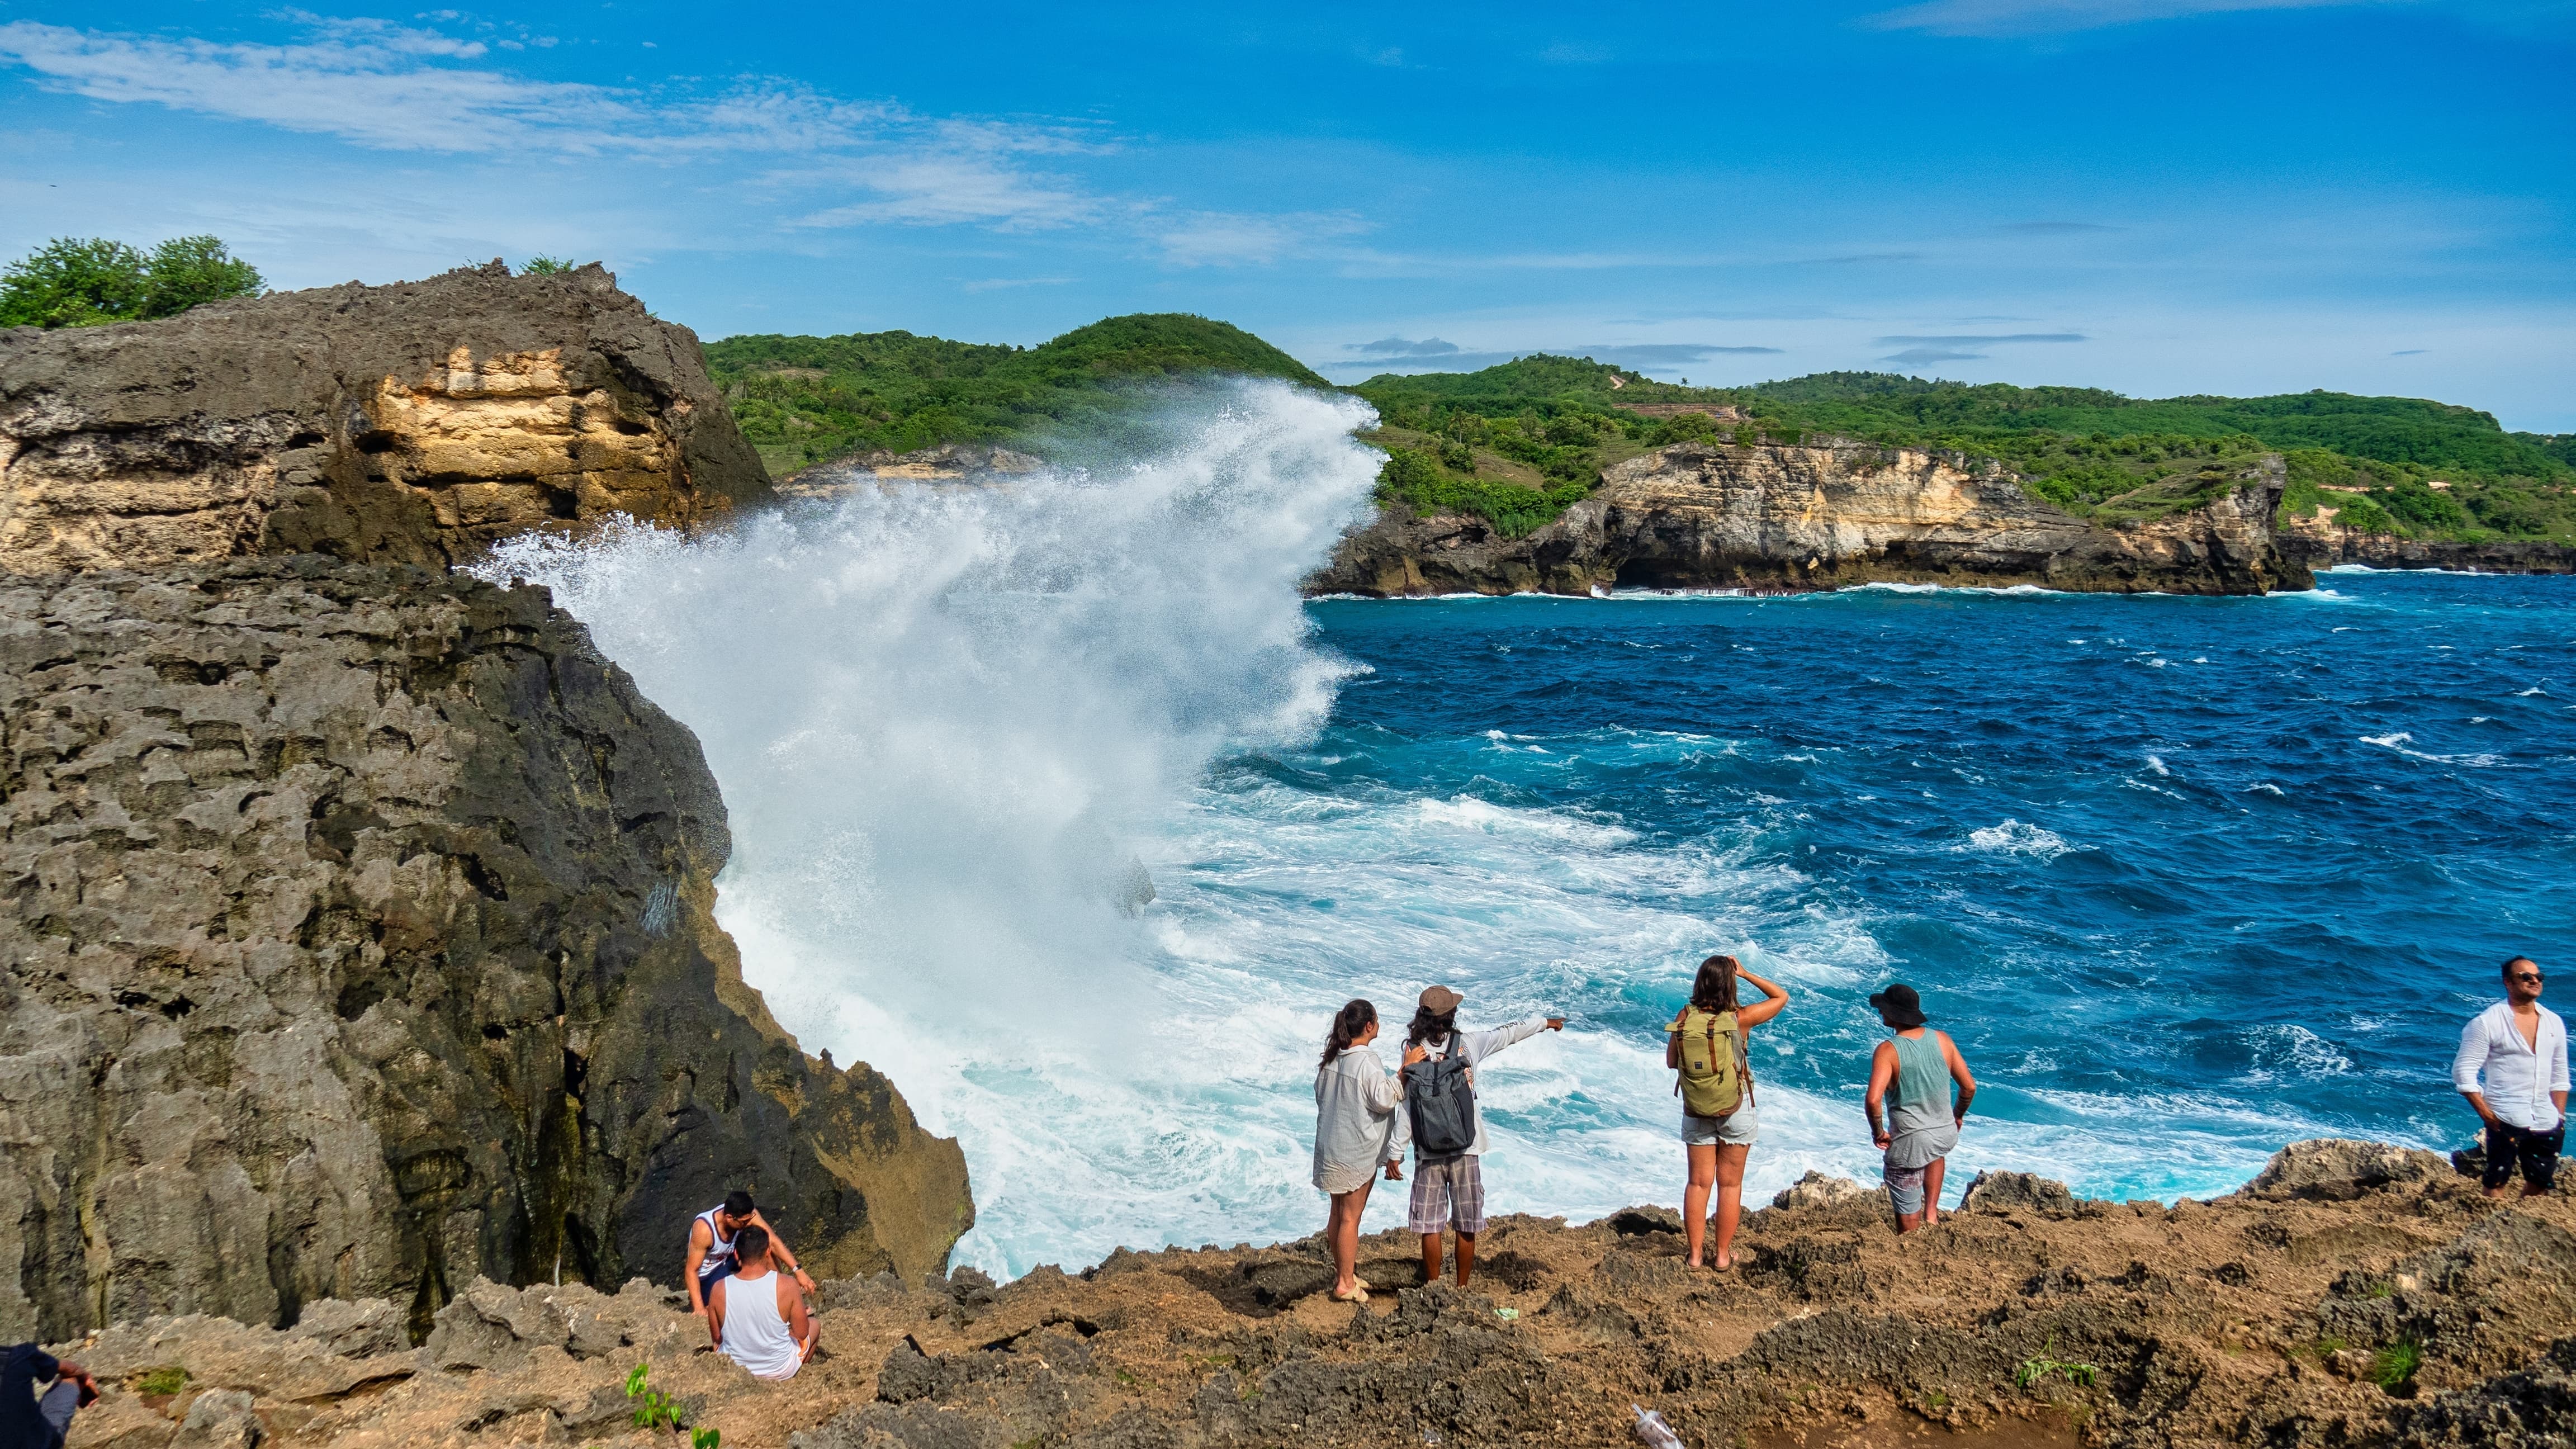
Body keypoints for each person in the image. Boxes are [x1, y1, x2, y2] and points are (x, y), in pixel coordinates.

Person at [1389, 986, 1566, 1289]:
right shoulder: (1467, 1044)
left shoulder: (1412, 1053)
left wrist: (1396, 1152)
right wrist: (1544, 1023)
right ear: (1452, 1015)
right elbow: (1507, 1034)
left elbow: (1407, 1105)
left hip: (1428, 1151)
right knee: (1466, 1223)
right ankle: (1461, 1289)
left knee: (1430, 1226)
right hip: (1467, 1147)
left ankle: (1434, 1288)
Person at [1666, 955, 1788, 1269]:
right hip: (1736, 1108)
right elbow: (1781, 997)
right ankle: (1722, 1256)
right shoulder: (1739, 1019)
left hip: (1696, 1108)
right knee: (1730, 1185)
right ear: (1729, 984)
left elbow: (1671, 1062)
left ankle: (1695, 1256)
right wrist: (1746, 973)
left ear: (1700, 982)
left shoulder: (1685, 1016)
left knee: (1698, 1184)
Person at [1313, 999, 1426, 1303]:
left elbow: (1320, 1094)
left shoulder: (1332, 1058)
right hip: (1356, 1152)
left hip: (1332, 1148)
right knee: (1351, 1218)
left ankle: (1343, 1273)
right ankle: (1345, 1284)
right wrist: (1405, 1070)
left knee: (1338, 1213)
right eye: (1377, 1020)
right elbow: (1383, 1099)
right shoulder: (1367, 1060)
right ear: (1369, 1026)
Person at [1863, 982, 1976, 1233]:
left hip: (1911, 1142)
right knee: (1933, 1151)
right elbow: (1969, 1087)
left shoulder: (1887, 1050)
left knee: (1908, 1231)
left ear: (1894, 1014)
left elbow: (1872, 1101)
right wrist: (1957, 1116)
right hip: (1944, 1133)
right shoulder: (1942, 1039)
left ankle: (1913, 1236)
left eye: (1883, 1008)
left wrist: (1878, 1133)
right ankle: (1932, 1214)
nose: (1880, 1012)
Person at [2454, 955, 2567, 1199]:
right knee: (2496, 1180)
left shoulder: (2554, 1022)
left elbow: (2560, 1073)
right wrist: (2487, 1116)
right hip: (2505, 1117)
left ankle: (2520, 1215)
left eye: (2538, 976)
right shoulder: (2486, 1023)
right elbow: (2464, 1071)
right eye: (2526, 977)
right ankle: (2490, 1221)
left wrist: (2559, 1116)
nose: (2535, 981)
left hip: (2546, 1119)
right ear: (2508, 982)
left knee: (2540, 1180)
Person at [706, 1225, 817, 1381]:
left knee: (719, 1345)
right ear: (768, 1252)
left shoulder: (718, 1289)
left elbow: (717, 1338)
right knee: (815, 1325)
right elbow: (802, 1332)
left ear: (736, 1254)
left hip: (735, 1370)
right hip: (779, 1370)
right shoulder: (787, 1284)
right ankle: (795, 1374)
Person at [685, 1190, 817, 1316]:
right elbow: (691, 1270)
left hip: (731, 1257)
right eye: (744, 1222)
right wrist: (699, 1308)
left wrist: (798, 1271)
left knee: (765, 1249)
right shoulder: (704, 1230)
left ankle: (782, 1300)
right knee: (725, 1307)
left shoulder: (747, 1215)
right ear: (729, 1218)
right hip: (710, 1272)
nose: (749, 1224)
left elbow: (773, 1242)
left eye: (750, 1219)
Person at [2, 1341, 96, 1449]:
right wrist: (85, 1377)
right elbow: (70, 1369)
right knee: (70, 1377)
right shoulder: (16, 1357)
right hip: (38, 1443)